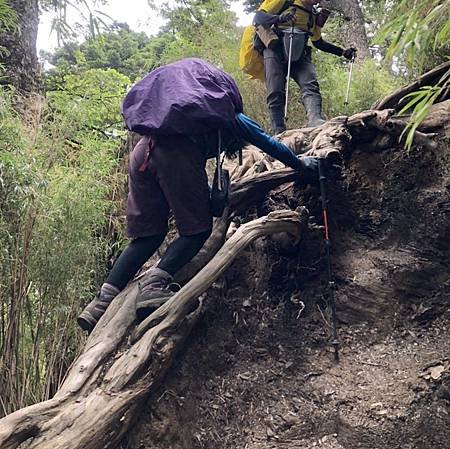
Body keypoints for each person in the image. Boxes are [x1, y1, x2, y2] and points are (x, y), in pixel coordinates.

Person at [77, 111, 319, 333]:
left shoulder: (178, 118)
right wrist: (299, 163)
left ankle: (102, 300)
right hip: (175, 155)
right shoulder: (231, 115)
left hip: (142, 153)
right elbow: (268, 142)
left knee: (149, 235)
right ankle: (153, 285)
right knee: (198, 230)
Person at [253, 0, 355, 134]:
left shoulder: (313, 16)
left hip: (300, 53)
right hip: (276, 48)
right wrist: (279, 19)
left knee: (310, 85)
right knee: (275, 91)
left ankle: (315, 120)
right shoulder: (285, 1)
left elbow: (317, 42)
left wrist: (343, 52)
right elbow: (258, 18)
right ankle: (279, 132)